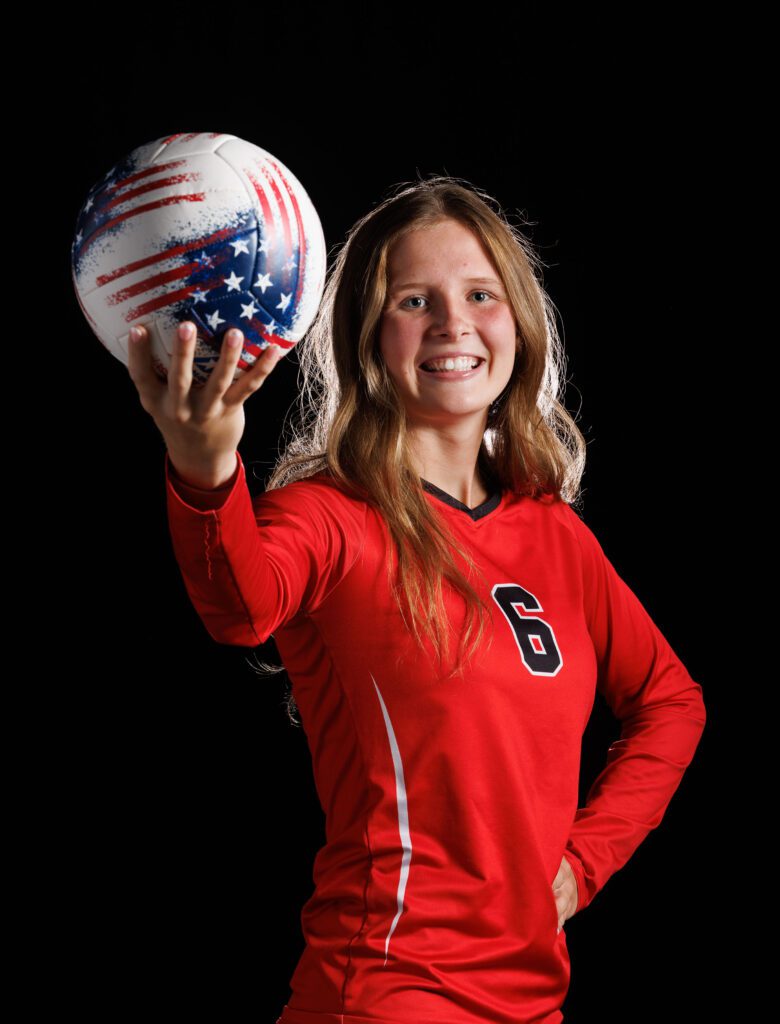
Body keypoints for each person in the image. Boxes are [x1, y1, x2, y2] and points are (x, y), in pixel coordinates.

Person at [127, 176, 707, 1024]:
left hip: (534, 996)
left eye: (480, 294)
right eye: (413, 299)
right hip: (385, 992)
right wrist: (204, 465)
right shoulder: (330, 516)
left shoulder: (555, 534)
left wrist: (584, 864)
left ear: (519, 323)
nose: (453, 323)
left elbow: (671, 701)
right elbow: (239, 605)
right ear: (368, 338)